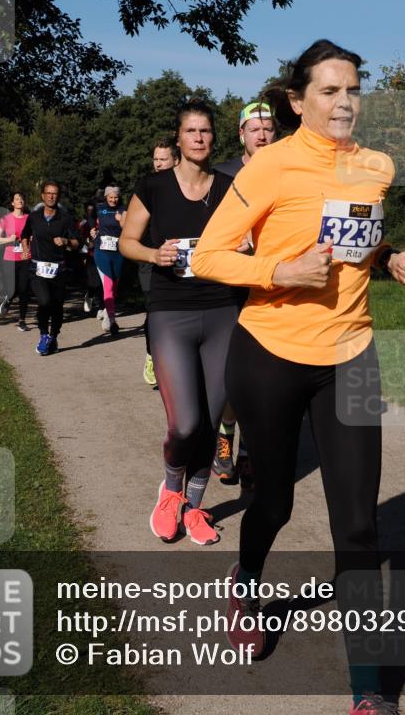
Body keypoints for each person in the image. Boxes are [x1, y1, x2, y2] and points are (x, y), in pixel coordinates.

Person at [192, 40, 405, 715]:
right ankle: (247, 579)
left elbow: (360, 240)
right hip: (268, 355)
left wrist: (389, 264)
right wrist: (277, 272)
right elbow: (207, 256)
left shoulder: (376, 165)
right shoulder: (270, 166)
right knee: (276, 503)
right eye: (328, 90)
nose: (344, 101)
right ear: (298, 101)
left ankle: (367, 690)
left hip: (350, 353)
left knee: (356, 527)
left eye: (352, 89)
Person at [119, 100, 244, 547]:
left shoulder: (230, 187)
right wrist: (156, 255)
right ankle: (171, 488)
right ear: (178, 138)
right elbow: (127, 241)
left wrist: (245, 249)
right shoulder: (154, 186)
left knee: (210, 423)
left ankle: (194, 504)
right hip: (171, 310)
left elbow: (248, 239)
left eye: (205, 131)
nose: (198, 138)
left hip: (222, 310)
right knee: (186, 424)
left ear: (213, 138)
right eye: (190, 131)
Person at [212, 101, 278, 486]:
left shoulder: (288, 171)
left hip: (274, 288)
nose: (262, 134)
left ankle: (250, 452)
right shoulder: (223, 175)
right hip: (231, 289)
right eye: (254, 128)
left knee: (264, 379)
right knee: (233, 376)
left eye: (268, 127)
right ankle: (226, 435)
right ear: (241, 134)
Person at [21, 180, 80, 355]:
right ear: (43, 196)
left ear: (58, 196)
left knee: (57, 306)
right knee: (44, 301)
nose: (51, 196)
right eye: (48, 193)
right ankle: (43, 335)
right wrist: (25, 249)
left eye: (54, 193)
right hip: (37, 268)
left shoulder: (66, 218)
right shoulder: (34, 217)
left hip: (59, 269)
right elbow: (25, 234)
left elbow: (78, 242)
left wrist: (66, 241)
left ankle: (53, 335)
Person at [140, 137, 179, 387]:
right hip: (148, 259)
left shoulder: (188, 186)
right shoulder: (146, 187)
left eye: (163, 159)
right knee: (154, 312)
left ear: (176, 160)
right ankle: (152, 353)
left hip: (179, 259)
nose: (158, 164)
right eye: (155, 159)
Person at [90, 185, 127, 335]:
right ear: (106, 197)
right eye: (110, 197)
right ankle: (112, 320)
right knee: (108, 284)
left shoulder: (123, 209)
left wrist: (121, 220)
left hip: (118, 252)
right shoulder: (99, 208)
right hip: (102, 251)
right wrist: (93, 228)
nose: (113, 199)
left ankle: (107, 312)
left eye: (116, 197)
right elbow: (90, 217)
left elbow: (129, 227)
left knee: (114, 287)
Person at [0, 192, 32, 331]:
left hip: (25, 257)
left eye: (22, 198)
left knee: (24, 290)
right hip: (9, 259)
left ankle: (22, 321)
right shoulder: (6, 219)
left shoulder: (29, 218)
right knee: (13, 289)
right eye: (16, 199)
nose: (20, 200)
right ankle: (8, 299)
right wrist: (9, 239)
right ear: (12, 203)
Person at [78, 202, 102, 314]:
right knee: (94, 282)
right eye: (88, 210)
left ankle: (102, 308)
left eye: (92, 210)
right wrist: (89, 243)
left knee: (103, 283)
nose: (91, 212)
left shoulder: (103, 221)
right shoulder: (84, 224)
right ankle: (90, 294)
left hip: (105, 255)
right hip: (91, 255)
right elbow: (83, 239)